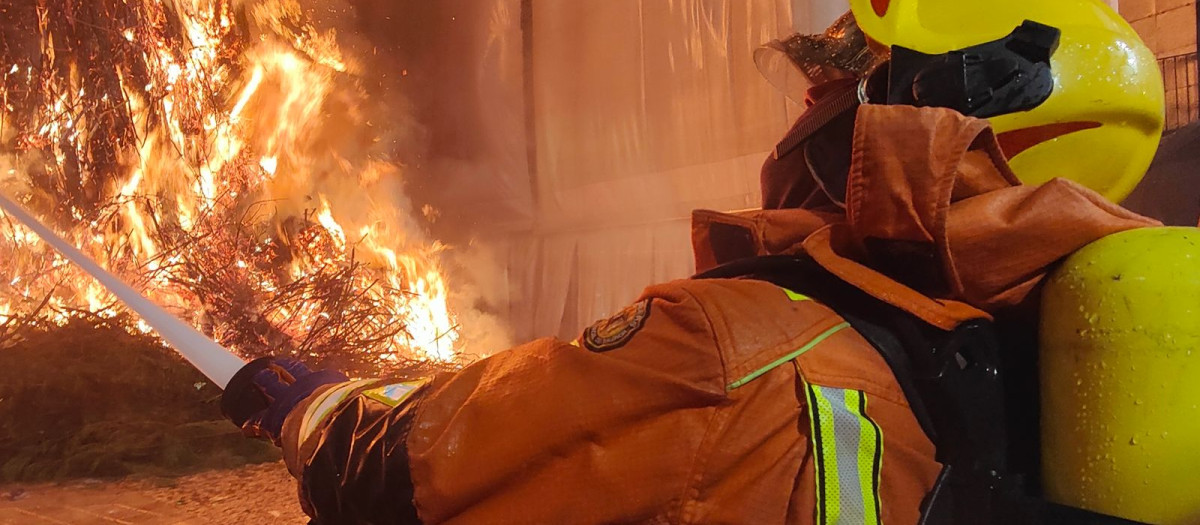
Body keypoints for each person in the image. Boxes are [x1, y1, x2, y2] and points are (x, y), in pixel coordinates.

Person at [222, 1, 1183, 523]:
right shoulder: (1064, 353)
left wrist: (315, 405)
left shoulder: (736, 346)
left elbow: (420, 469)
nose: (809, 106)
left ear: (931, 108)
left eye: (841, 76)